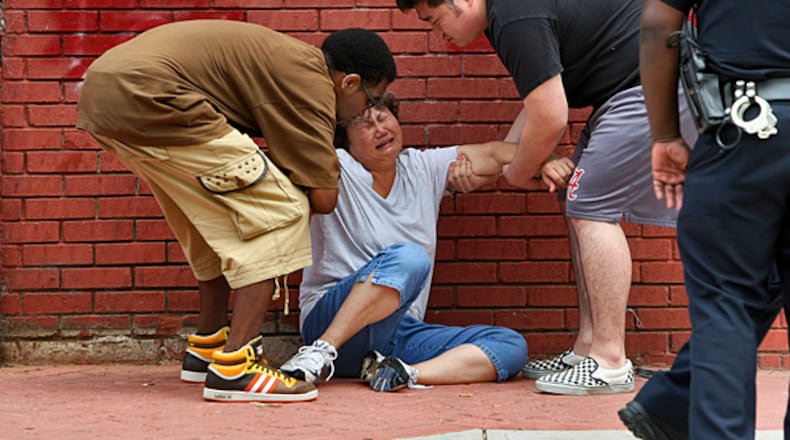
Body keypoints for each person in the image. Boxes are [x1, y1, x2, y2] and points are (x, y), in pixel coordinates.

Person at [76, 19, 397, 402]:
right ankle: (235, 368)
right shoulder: (311, 86)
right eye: (370, 99)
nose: (365, 112)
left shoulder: (289, 62)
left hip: (107, 97)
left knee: (217, 216)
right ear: (349, 83)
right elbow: (323, 199)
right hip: (154, 97)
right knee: (282, 209)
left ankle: (208, 348)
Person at [394, 0, 697, 395]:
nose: (438, 33)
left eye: (433, 20)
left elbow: (551, 116)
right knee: (579, 200)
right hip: (632, 87)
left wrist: (517, 173)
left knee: (591, 206)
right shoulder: (508, 12)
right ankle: (588, 349)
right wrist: (502, 164)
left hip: (652, 86)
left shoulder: (512, 14)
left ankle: (608, 363)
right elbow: (536, 106)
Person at [276, 92, 574, 391]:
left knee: (510, 346)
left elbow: (494, 155)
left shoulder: (422, 167)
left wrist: (544, 160)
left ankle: (401, 372)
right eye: (364, 125)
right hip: (331, 320)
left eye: (383, 116)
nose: (380, 129)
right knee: (409, 258)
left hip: (397, 334)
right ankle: (320, 353)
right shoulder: (338, 168)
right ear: (346, 143)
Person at [618, 0, 790, 438]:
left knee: (725, 304)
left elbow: (658, 25)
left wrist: (665, 135)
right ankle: (665, 404)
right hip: (746, 131)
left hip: (745, 129)